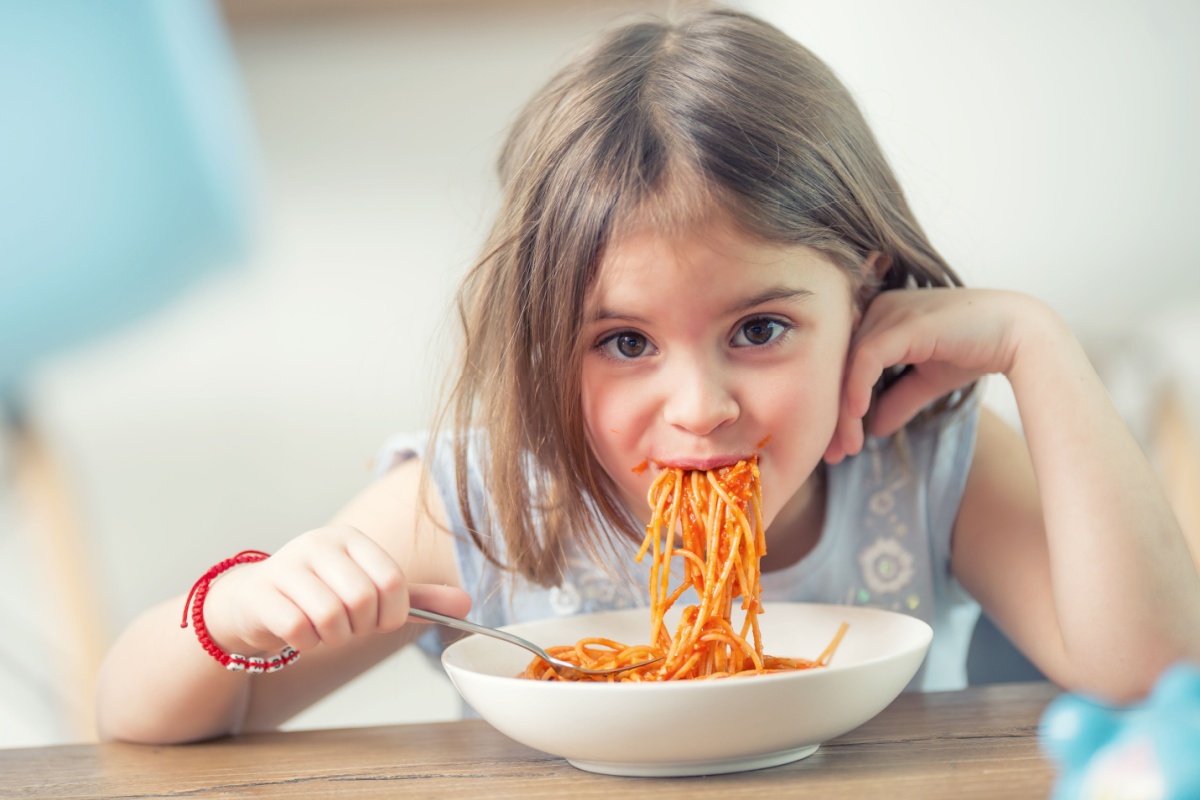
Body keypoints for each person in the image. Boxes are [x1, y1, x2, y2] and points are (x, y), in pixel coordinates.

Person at [95, 7, 1200, 744]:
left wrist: (1035, 343)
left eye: (760, 328)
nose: (699, 406)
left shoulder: (925, 466)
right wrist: (232, 610)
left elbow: (1148, 671)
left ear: (865, 289)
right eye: (624, 343)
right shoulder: (485, 506)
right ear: (543, 339)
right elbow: (139, 719)